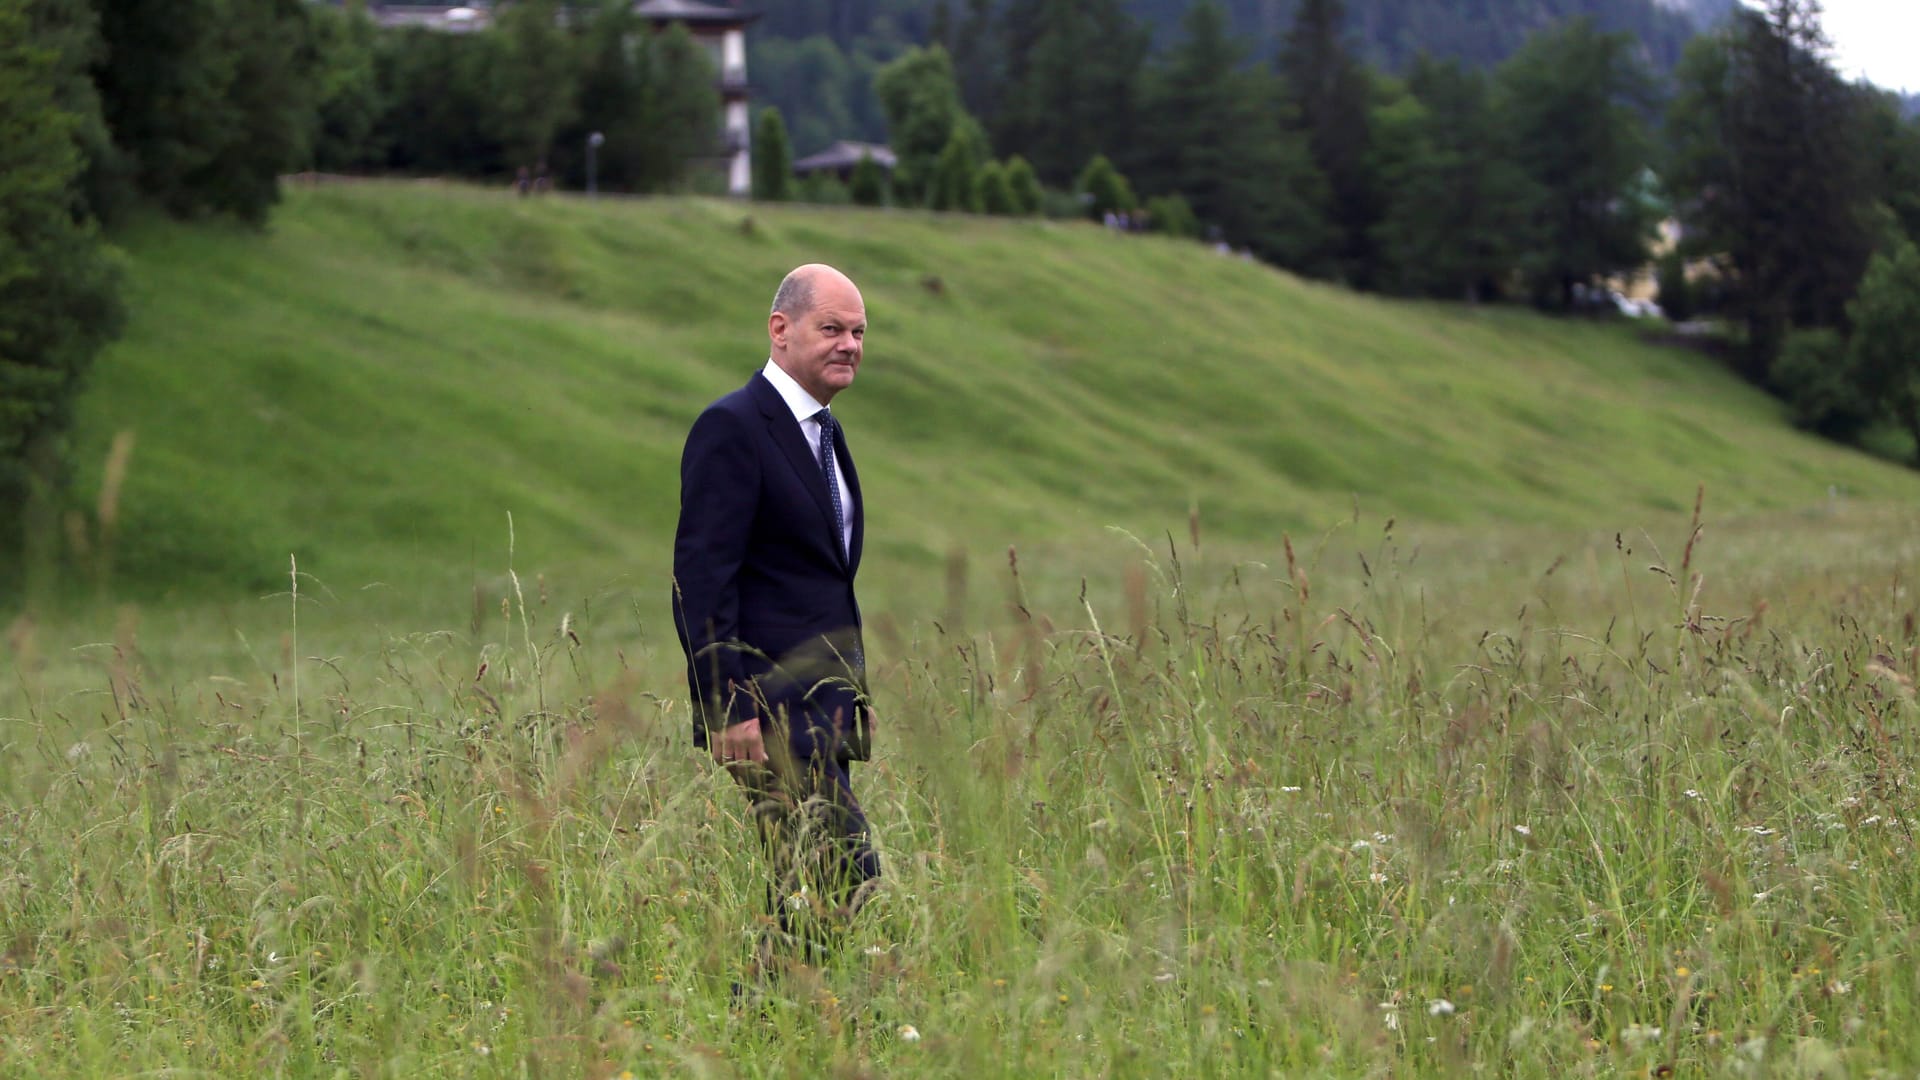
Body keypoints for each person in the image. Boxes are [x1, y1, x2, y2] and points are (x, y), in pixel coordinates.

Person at [672, 264, 879, 977]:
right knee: (844, 865)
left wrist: (852, 695)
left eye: (859, 332)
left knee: (811, 876)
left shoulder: (826, 433)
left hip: (822, 706)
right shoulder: (733, 427)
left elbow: (819, 581)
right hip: (764, 710)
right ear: (780, 329)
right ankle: (768, 1014)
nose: (849, 344)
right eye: (833, 328)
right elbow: (701, 581)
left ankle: (774, 1017)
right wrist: (725, 706)